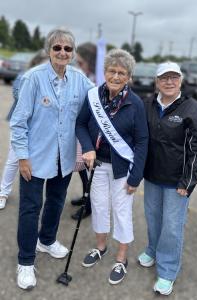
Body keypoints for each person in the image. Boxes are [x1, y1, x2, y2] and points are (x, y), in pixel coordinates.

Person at [10, 28, 94, 290]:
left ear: (73, 53)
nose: (62, 52)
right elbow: (18, 122)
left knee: (56, 202)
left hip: (64, 158)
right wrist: (22, 158)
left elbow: (102, 101)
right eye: (57, 47)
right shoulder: (33, 79)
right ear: (49, 51)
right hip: (35, 159)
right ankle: (25, 261)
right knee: (30, 208)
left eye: (68, 49)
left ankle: (46, 240)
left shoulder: (80, 80)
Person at [76, 48, 148, 285]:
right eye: (111, 71)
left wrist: (135, 177)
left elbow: (141, 141)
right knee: (98, 206)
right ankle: (101, 247)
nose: (116, 77)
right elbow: (81, 124)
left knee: (122, 211)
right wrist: (87, 147)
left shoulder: (135, 103)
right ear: (104, 72)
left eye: (121, 73)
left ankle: (121, 258)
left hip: (122, 169)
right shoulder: (93, 96)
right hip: (97, 164)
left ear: (129, 77)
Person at [138, 62, 197, 295]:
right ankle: (152, 249)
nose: (169, 82)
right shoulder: (147, 103)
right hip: (152, 176)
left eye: (173, 77)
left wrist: (187, 183)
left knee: (172, 226)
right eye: (164, 78)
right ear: (156, 81)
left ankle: (167, 270)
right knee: (153, 218)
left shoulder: (192, 108)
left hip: (177, 181)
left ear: (181, 80)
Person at [0, 49, 49, 210]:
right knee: (14, 159)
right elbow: (19, 97)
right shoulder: (25, 77)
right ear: (36, 63)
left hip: (39, 128)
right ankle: (3, 193)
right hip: (22, 126)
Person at [70, 42, 97, 220]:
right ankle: (86, 197)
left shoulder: (98, 77)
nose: (79, 66)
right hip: (82, 128)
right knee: (81, 167)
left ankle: (89, 205)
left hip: (92, 131)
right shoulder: (85, 75)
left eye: (81, 62)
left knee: (89, 169)